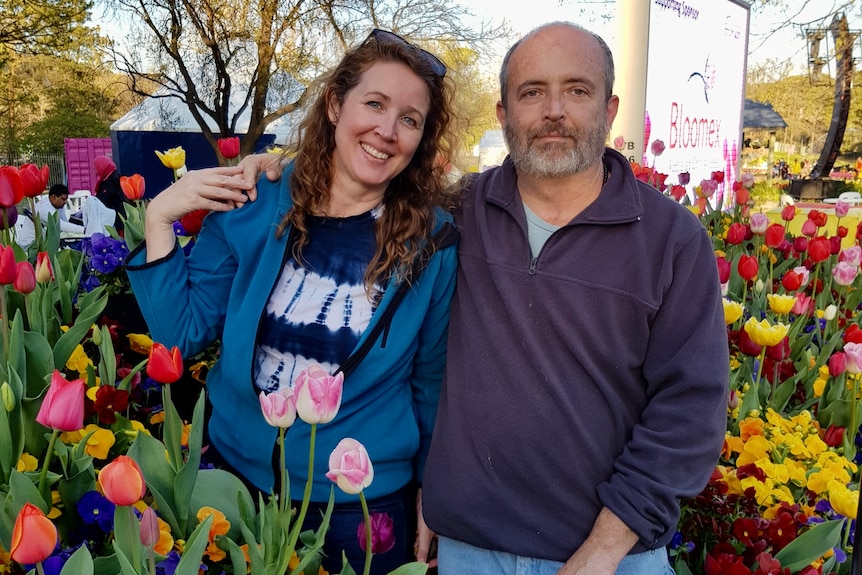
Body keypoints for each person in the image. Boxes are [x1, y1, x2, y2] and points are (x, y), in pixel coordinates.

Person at [125, 29, 457, 575]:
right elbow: (180, 334)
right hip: (236, 484)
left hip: (358, 504)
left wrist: (433, 490)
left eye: (410, 119)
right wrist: (159, 217)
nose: (387, 130)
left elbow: (430, 381)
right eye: (374, 104)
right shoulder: (253, 201)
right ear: (334, 104)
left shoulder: (434, 242)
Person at [419, 22, 728, 575]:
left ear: (609, 110)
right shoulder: (459, 214)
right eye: (532, 91)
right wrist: (269, 171)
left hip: (612, 557)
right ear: (503, 113)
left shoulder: (672, 240)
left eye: (577, 90)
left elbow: (690, 413)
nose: (554, 110)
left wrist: (602, 551)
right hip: (469, 549)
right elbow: (354, 182)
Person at [16, 183, 86, 249]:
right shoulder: (45, 209)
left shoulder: (53, 203)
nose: (65, 202)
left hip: (40, 242)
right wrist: (84, 230)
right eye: (63, 199)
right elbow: (61, 226)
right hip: (30, 246)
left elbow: (65, 222)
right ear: (54, 197)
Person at [93, 156, 127, 230]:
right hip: (121, 216)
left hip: (117, 219)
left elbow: (102, 201)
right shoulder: (115, 177)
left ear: (102, 166)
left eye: (95, 167)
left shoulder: (110, 182)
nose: (95, 170)